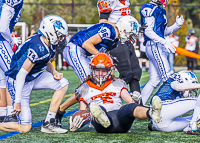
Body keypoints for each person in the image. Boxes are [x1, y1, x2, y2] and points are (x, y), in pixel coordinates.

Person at [55, 15, 140, 127]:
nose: (130, 38)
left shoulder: (115, 39)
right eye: (130, 34)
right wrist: (103, 57)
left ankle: (91, 114)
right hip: (75, 48)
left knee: (100, 83)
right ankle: (60, 112)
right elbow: (87, 44)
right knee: (89, 85)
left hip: (82, 52)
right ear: (124, 30)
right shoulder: (110, 31)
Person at [0, 15, 69, 133]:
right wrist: (17, 102)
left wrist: (54, 71)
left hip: (33, 76)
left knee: (62, 83)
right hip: (19, 81)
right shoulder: (37, 47)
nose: (61, 39)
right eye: (60, 36)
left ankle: (49, 123)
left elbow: (45, 59)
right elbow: (21, 74)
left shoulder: (46, 42)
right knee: (25, 128)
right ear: (51, 33)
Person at [69, 53, 162, 133]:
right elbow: (84, 113)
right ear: (92, 70)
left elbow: (129, 100)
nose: (100, 73)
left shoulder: (117, 83)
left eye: (104, 70)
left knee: (130, 108)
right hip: (102, 126)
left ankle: (151, 113)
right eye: (97, 70)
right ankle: (102, 117)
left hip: (121, 119)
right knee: (97, 109)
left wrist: (135, 100)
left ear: (110, 70)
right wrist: (77, 122)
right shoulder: (84, 88)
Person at [140, 0, 184, 105]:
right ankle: (164, 105)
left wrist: (176, 25)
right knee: (168, 78)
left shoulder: (160, 9)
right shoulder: (149, 8)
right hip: (154, 45)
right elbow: (148, 31)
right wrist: (164, 42)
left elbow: (163, 32)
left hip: (157, 45)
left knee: (154, 81)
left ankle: (138, 106)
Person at [97, 0, 142, 93]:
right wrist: (121, 26)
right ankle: (111, 98)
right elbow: (102, 23)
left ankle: (138, 104)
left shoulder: (126, 1)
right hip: (116, 40)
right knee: (126, 74)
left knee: (135, 73)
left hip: (127, 39)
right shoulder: (109, 1)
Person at [0, 0, 23, 123]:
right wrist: (10, 40)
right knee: (15, 74)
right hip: (1, 40)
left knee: (2, 79)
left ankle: (3, 113)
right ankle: (12, 114)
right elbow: (3, 28)